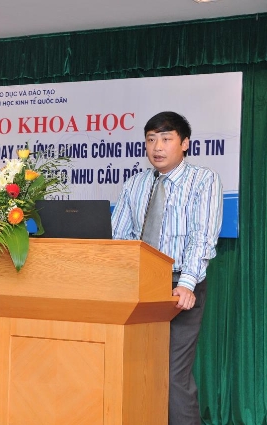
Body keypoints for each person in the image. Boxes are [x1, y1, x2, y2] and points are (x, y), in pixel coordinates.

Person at [111, 111, 223, 424]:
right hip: (137, 284)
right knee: (135, 368)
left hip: (179, 285)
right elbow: (119, 237)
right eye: (151, 139)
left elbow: (202, 237)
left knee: (172, 375)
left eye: (166, 138)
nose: (157, 147)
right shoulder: (134, 184)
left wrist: (186, 284)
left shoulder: (203, 180)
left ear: (184, 143)